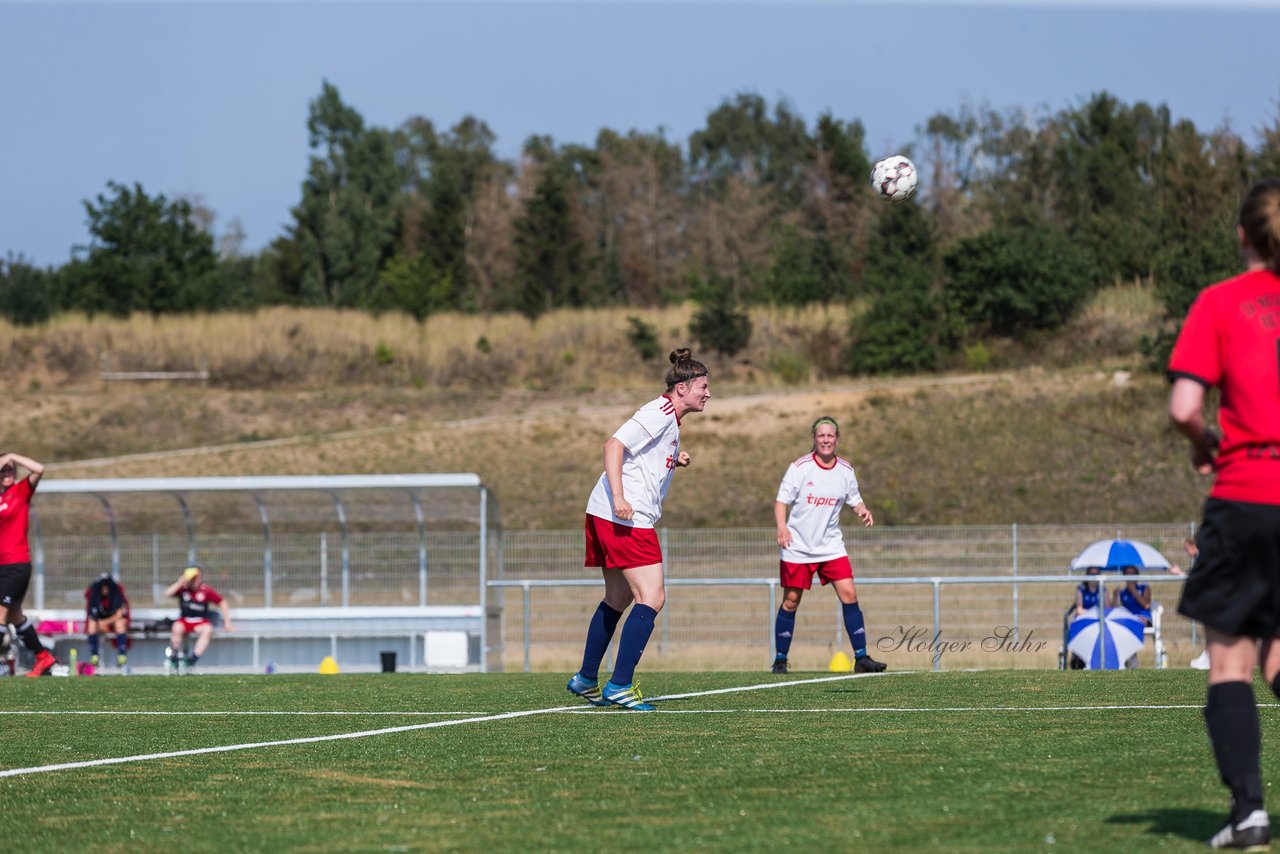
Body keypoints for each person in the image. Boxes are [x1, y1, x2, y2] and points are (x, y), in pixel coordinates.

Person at [1168, 177, 1280, 850]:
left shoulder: (1220, 303)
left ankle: (1248, 813)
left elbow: (1185, 407)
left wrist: (1204, 444)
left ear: (1242, 234)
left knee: (1233, 663)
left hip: (1247, 494)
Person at [565, 348, 711, 711]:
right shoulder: (659, 411)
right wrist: (619, 497)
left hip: (606, 514)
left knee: (618, 598)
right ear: (682, 388)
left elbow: (640, 456)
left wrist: (674, 457)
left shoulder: (671, 421)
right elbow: (613, 445)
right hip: (623, 517)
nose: (708, 394)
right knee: (653, 596)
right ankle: (619, 685)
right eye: (703, 387)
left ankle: (585, 678)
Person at [769, 416, 885, 675]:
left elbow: (855, 499)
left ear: (837, 439)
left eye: (830, 435)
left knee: (850, 595)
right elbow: (781, 501)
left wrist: (863, 510)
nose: (826, 440)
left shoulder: (845, 470)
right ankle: (780, 659)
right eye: (821, 435)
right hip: (798, 547)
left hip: (831, 546)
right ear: (814, 438)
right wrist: (781, 527)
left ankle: (862, 658)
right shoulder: (800, 467)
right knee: (790, 601)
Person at [0, 452, 55, 677]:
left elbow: (39, 469)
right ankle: (43, 657)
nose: (7, 474)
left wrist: (11, 456)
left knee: (1, 614)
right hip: (1, 566)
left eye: (10, 469)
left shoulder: (20, 491)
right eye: (3, 470)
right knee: (14, 616)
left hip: (17, 563)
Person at [163, 565, 234, 674]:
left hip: (200, 621)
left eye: (197, 577)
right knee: (176, 627)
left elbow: (222, 602)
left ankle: (192, 660)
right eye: (193, 578)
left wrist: (227, 623)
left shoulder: (206, 590)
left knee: (208, 629)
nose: (196, 580)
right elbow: (166, 594)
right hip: (185, 620)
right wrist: (179, 583)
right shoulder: (183, 589)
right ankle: (174, 657)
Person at [1107, 565, 1153, 669]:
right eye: (1127, 573)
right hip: (1129, 621)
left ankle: (1131, 657)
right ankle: (1125, 658)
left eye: (1132, 573)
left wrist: (1134, 592)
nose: (1130, 576)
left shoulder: (1144, 588)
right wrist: (1115, 596)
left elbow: (1146, 605)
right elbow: (1113, 609)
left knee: (1134, 622)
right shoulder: (1122, 592)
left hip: (1144, 619)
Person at [84, 571, 130, 669]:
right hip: (100, 624)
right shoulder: (95, 596)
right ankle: (94, 655)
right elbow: (92, 615)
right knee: (91, 625)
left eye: (106, 586)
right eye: (102, 586)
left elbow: (119, 614)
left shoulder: (116, 594)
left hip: (111, 622)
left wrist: (105, 622)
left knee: (120, 624)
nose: (104, 589)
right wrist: (101, 624)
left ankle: (122, 655)